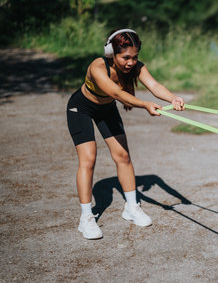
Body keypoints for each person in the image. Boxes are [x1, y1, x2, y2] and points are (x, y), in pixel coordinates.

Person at [66, 29, 185, 239]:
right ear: (111, 53)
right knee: (89, 158)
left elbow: (154, 85)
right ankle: (86, 218)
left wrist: (173, 98)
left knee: (123, 156)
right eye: (126, 58)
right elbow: (116, 93)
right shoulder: (98, 66)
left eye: (135, 57)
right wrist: (145, 105)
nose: (131, 63)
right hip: (81, 108)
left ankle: (131, 207)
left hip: (106, 109)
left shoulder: (136, 67)